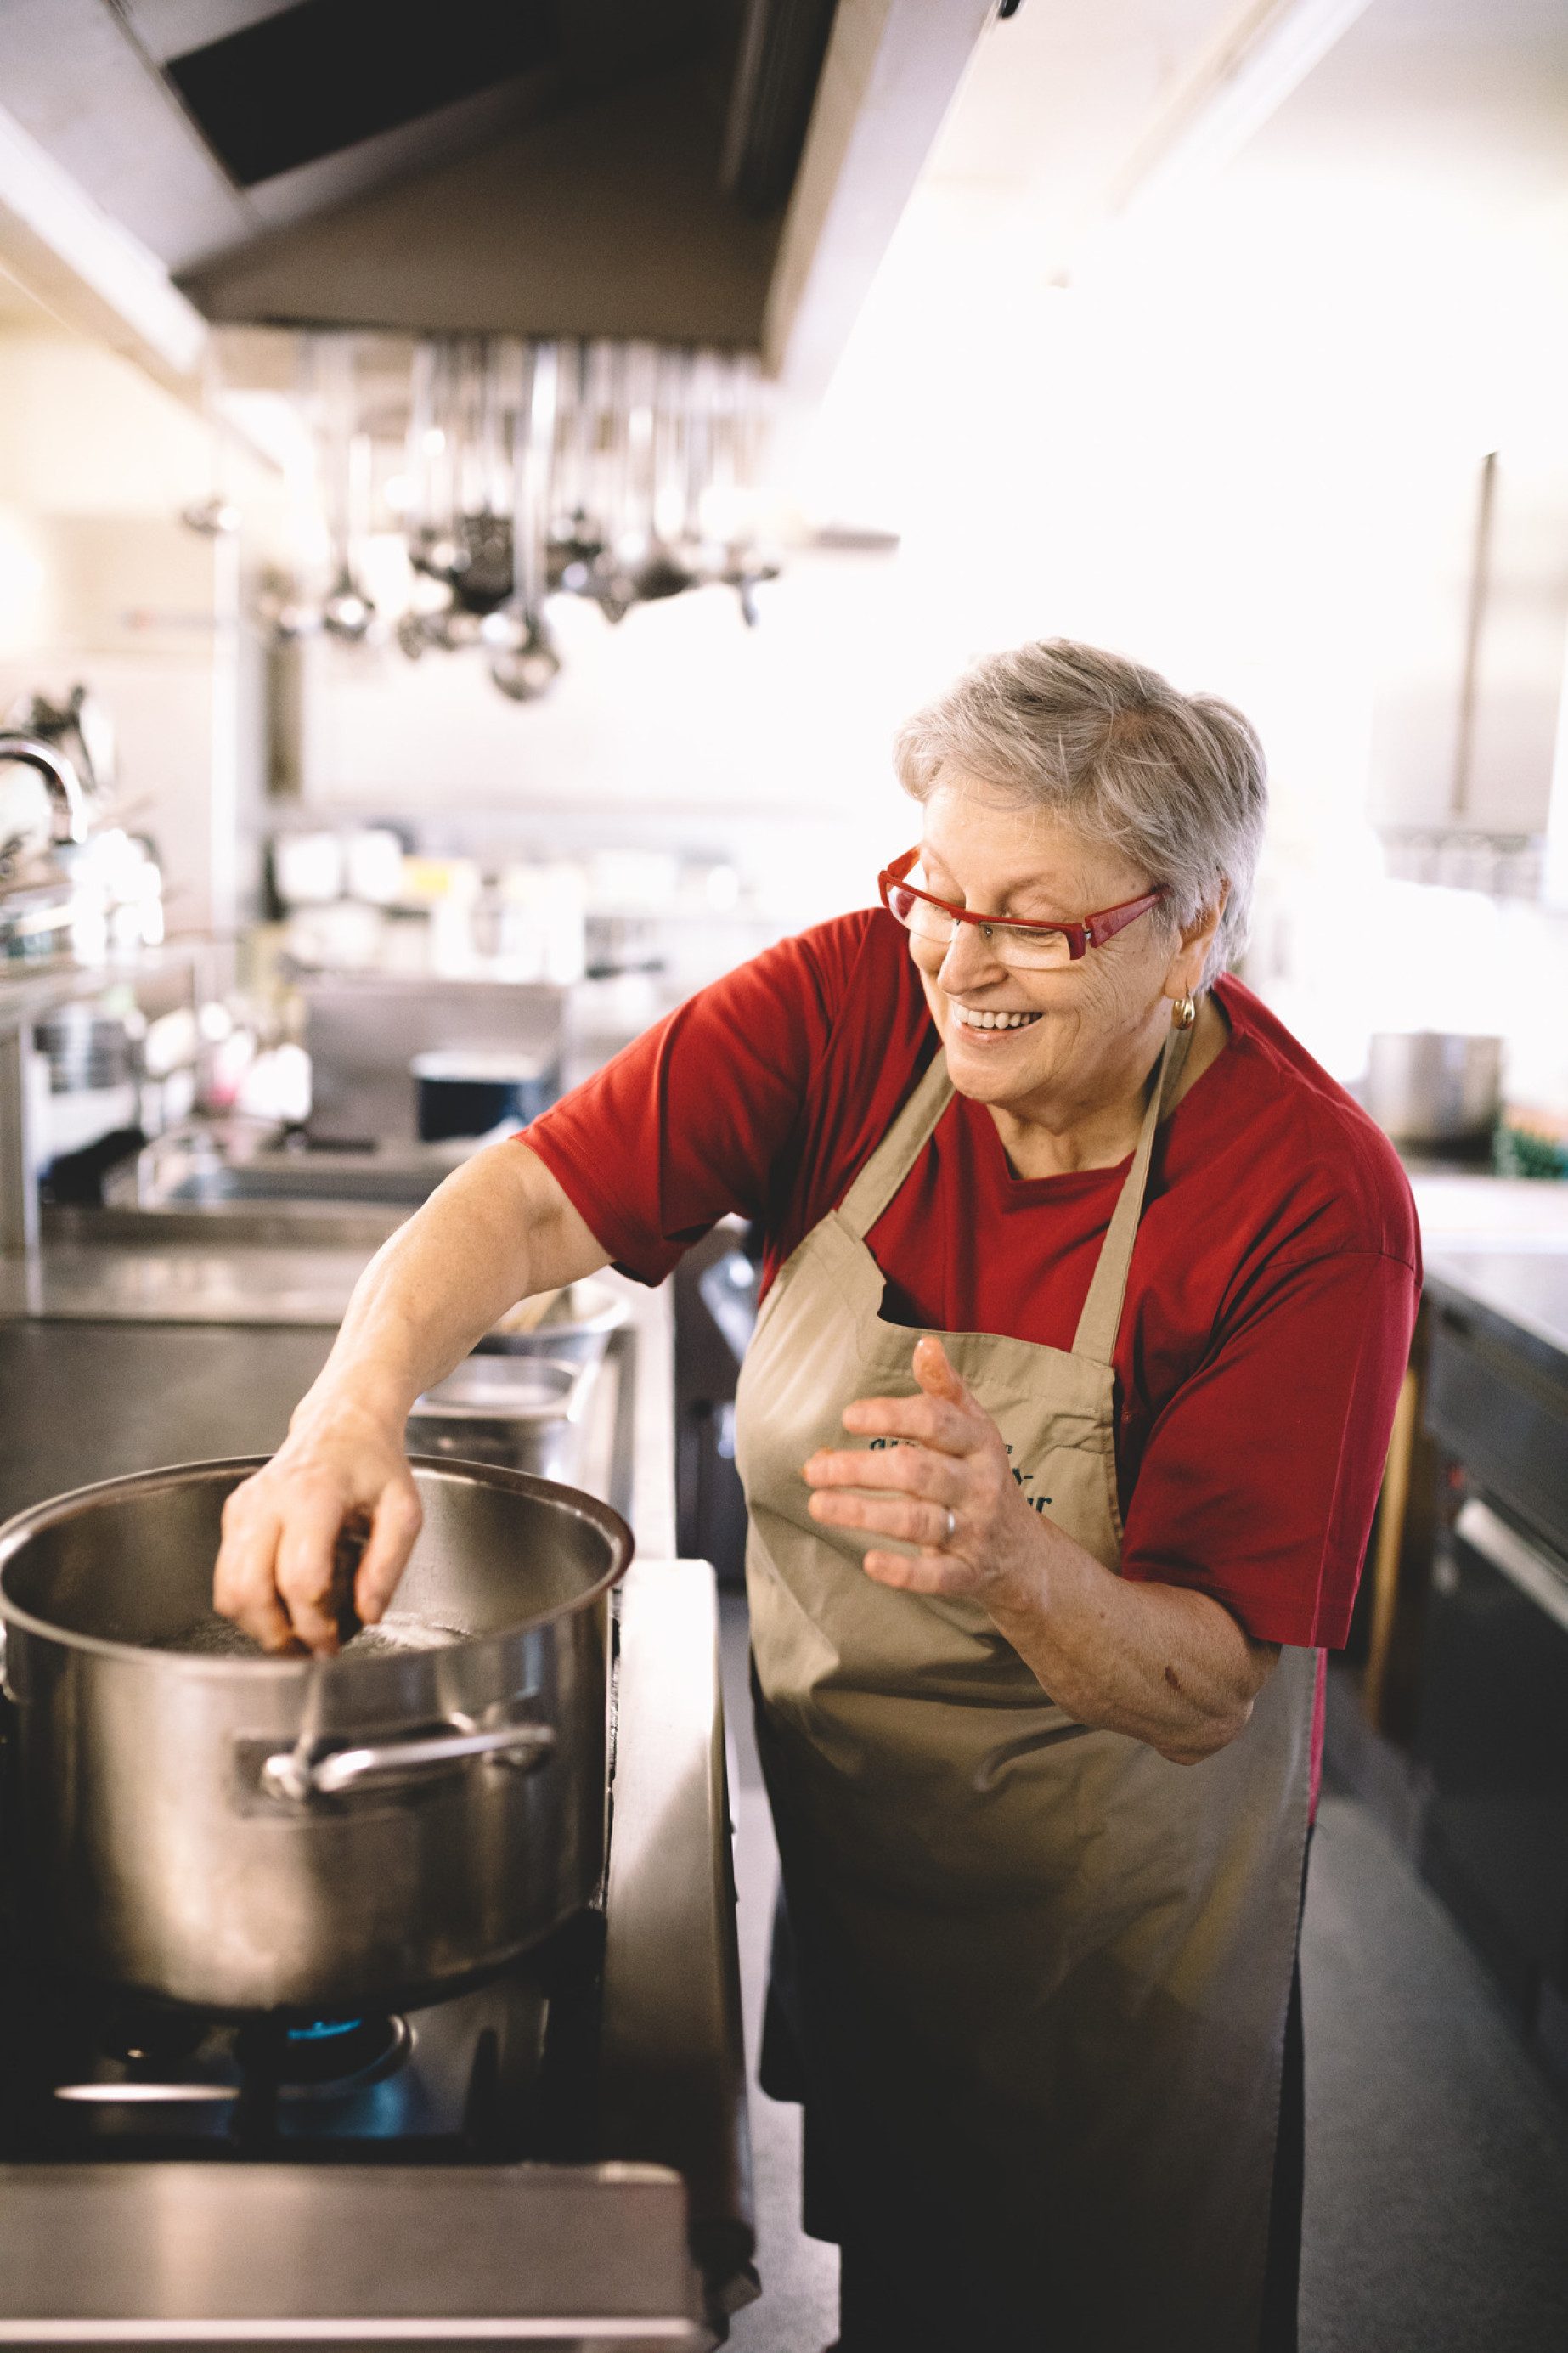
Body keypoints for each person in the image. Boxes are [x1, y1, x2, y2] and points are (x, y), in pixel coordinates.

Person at [215, 639, 1419, 2353]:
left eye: (1036, 925)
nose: (960, 962)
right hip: (869, 1860)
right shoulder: (856, 1002)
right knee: (912, 2289)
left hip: (1118, 1933)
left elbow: (1204, 1682)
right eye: (937, 890)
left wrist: (1014, 1560)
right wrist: (347, 1407)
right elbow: (535, 1199)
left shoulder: (1305, 1200)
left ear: (1191, 928)